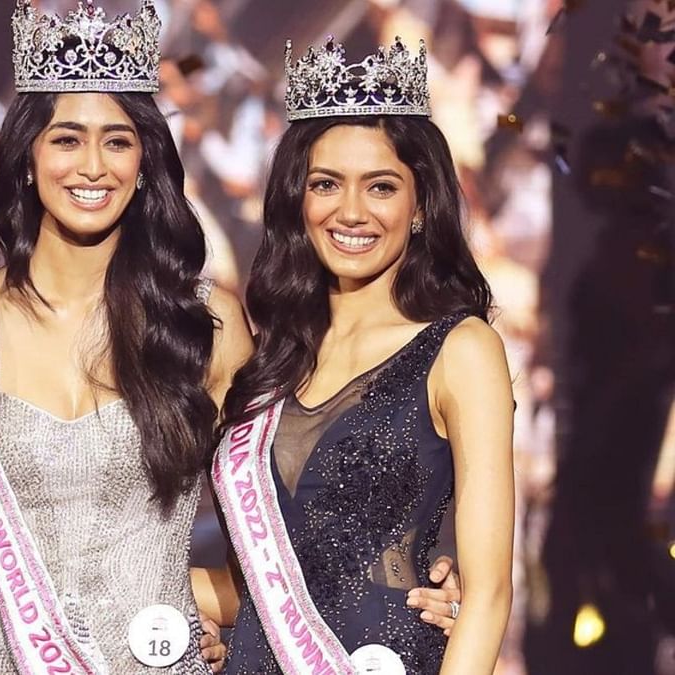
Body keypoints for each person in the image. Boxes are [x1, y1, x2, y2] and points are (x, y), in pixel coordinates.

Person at [0, 1, 247, 672]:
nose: (92, 165)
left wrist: (209, 600)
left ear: (145, 162)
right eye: (66, 139)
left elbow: (290, 534)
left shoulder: (208, 324)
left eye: (117, 140)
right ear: (27, 159)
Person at [213, 37, 514, 674]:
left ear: (420, 206)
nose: (351, 212)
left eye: (380, 187)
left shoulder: (461, 349)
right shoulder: (271, 358)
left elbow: (486, 596)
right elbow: (270, 573)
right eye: (327, 183)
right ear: (299, 199)